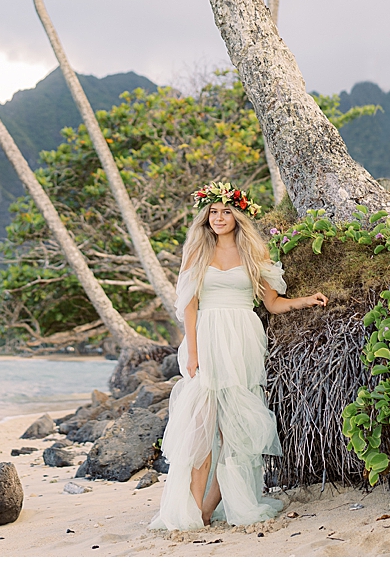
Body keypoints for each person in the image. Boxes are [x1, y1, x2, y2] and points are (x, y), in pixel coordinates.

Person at [150, 181, 329, 530]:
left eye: (225, 212)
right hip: (205, 336)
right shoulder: (196, 251)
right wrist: (192, 352)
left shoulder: (254, 252)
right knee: (201, 428)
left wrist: (303, 301)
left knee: (235, 433)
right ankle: (188, 513)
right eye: (213, 212)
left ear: (238, 215)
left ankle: (207, 511)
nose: (218, 218)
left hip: (243, 339)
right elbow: (188, 305)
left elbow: (272, 303)